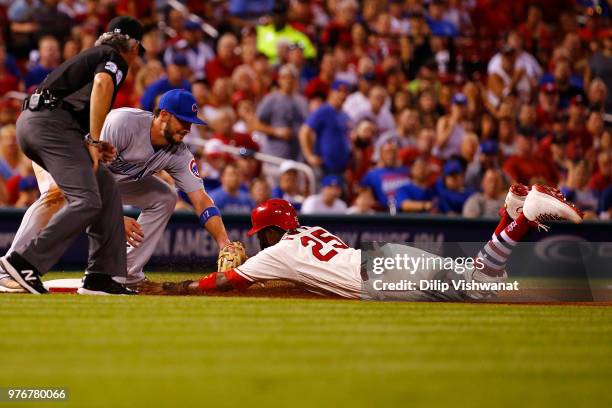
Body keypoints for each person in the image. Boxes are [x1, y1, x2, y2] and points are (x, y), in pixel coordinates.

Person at [152, 186, 583, 300]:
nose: (259, 241)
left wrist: (174, 287)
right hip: (382, 261)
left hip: (379, 276)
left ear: (269, 231)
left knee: (483, 288)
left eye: (260, 234)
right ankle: (511, 213)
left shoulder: (279, 252)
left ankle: (523, 217)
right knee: (481, 280)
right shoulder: (308, 234)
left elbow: (226, 283)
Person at [0, 89, 235, 292]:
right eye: (183, 121)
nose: (188, 128)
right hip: (65, 156)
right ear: (163, 115)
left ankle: (128, 273)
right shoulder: (123, 123)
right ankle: (8, 270)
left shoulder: (179, 153)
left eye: (191, 122)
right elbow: (88, 172)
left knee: (164, 196)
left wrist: (224, 241)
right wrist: (113, 217)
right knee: (57, 195)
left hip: (107, 178)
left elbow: (201, 200)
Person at [0, 17, 145, 295]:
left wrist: (92, 142)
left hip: (44, 122)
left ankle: (100, 277)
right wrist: (93, 139)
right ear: (134, 45)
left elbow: (76, 101)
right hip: (50, 124)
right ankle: (22, 262)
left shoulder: (94, 54)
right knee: (87, 199)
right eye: (138, 49)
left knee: (105, 185)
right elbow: (103, 83)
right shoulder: (113, 57)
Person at [299, 80, 351, 175]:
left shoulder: (345, 115)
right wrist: (309, 156)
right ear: (331, 92)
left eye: (345, 92)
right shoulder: (324, 110)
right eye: (339, 91)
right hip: (324, 167)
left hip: (341, 167)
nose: (342, 95)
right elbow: (304, 131)